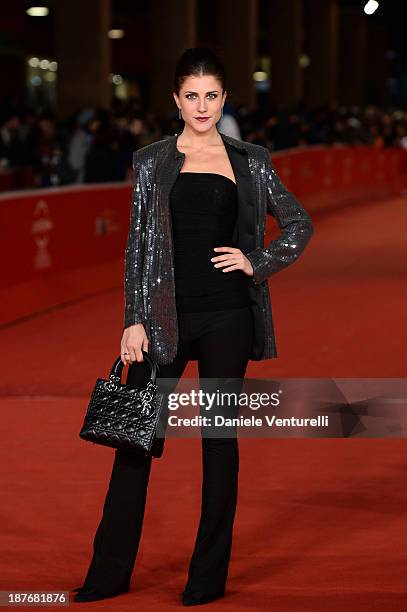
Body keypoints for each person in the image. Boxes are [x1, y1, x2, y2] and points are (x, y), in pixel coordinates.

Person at [73, 47, 314, 605]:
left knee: (218, 444)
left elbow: (298, 222)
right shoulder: (152, 159)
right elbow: (138, 246)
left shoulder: (250, 159)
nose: (202, 106)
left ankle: (206, 579)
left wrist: (260, 261)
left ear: (224, 99)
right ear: (176, 100)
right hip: (162, 318)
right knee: (134, 440)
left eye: (212, 96)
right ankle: (108, 574)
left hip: (228, 316)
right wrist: (132, 320)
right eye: (191, 96)